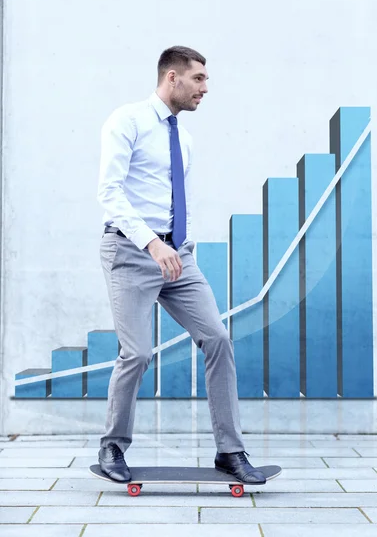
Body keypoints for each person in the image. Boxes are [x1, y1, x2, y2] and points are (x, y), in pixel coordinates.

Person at [97, 45, 265, 485]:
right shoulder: (127, 121)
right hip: (133, 252)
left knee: (218, 338)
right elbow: (109, 194)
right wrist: (153, 244)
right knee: (136, 353)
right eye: (199, 79)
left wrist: (179, 245)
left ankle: (230, 451)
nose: (205, 89)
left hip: (177, 257)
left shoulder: (184, 138)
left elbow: (177, 200)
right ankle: (113, 445)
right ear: (172, 77)